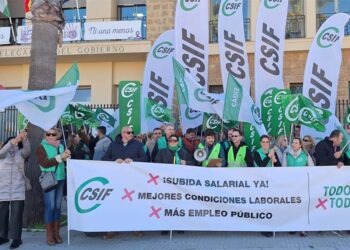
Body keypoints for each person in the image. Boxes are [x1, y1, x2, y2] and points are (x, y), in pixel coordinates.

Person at [36, 128, 71, 246]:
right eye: (48, 134)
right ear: (45, 135)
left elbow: (65, 161)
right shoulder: (41, 147)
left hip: (60, 178)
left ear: (57, 135)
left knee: (57, 206)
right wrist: (61, 157)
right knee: (50, 206)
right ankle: (49, 234)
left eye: (53, 134)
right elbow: (44, 163)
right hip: (49, 179)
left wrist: (68, 156)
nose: (51, 135)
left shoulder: (61, 146)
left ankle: (56, 233)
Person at [0, 131, 30, 249]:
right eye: (12, 143)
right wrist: (14, 141)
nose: (15, 145)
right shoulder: (2, 155)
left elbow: (27, 150)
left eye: (17, 143)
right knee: (2, 215)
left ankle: (16, 239)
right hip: (2, 189)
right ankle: (3, 236)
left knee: (16, 215)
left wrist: (25, 138)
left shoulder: (21, 154)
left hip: (18, 189)